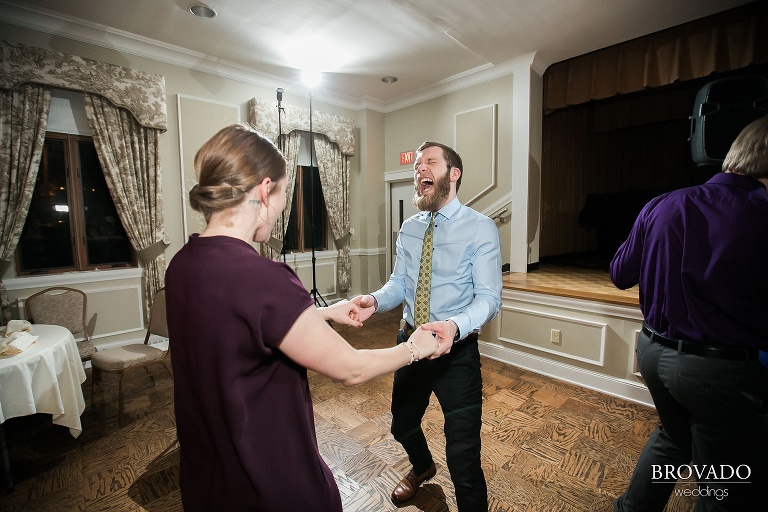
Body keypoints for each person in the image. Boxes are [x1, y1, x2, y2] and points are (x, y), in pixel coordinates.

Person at [165, 124, 445, 512]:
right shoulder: (264, 277)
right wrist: (415, 348)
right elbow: (352, 368)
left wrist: (321, 314)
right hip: (269, 474)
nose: (281, 208)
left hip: (209, 474)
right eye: (283, 193)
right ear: (265, 190)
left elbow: (236, 327)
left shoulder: (182, 265)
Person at [610, 116, 768, 511]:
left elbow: (619, 274)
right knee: (728, 480)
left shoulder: (664, 203)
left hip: (652, 352)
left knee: (673, 438)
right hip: (720, 370)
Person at [355, 141, 502, 511]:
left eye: (429, 163)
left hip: (458, 356)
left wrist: (454, 326)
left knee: (464, 457)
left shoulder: (481, 229)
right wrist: (375, 301)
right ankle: (422, 468)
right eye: (416, 166)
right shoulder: (409, 227)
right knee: (401, 425)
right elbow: (399, 285)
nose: (419, 170)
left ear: (453, 174)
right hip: (410, 347)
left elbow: (489, 298)